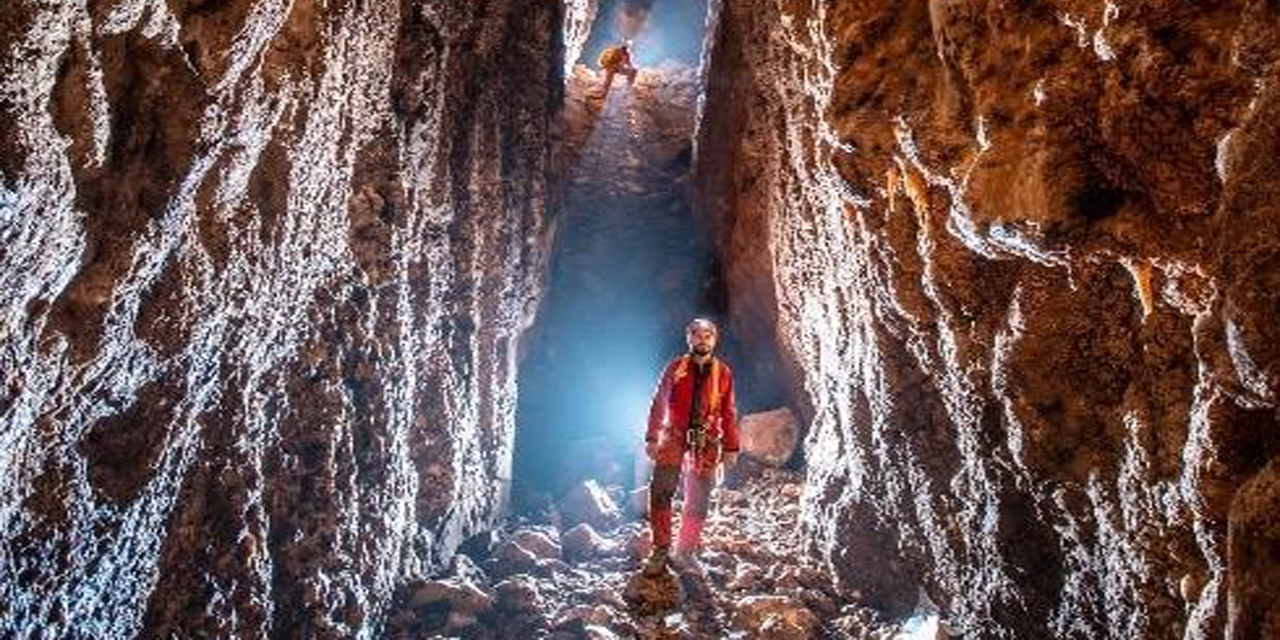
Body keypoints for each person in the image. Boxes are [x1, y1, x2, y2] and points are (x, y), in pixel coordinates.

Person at [642, 318, 739, 576]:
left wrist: (731, 446)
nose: (702, 340)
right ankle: (661, 548)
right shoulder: (675, 368)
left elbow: (728, 412)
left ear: (714, 340)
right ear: (689, 338)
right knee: (661, 491)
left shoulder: (723, 373)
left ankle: (686, 550)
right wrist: (652, 437)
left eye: (708, 335)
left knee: (699, 499)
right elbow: (659, 403)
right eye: (697, 335)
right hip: (673, 436)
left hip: (705, 441)